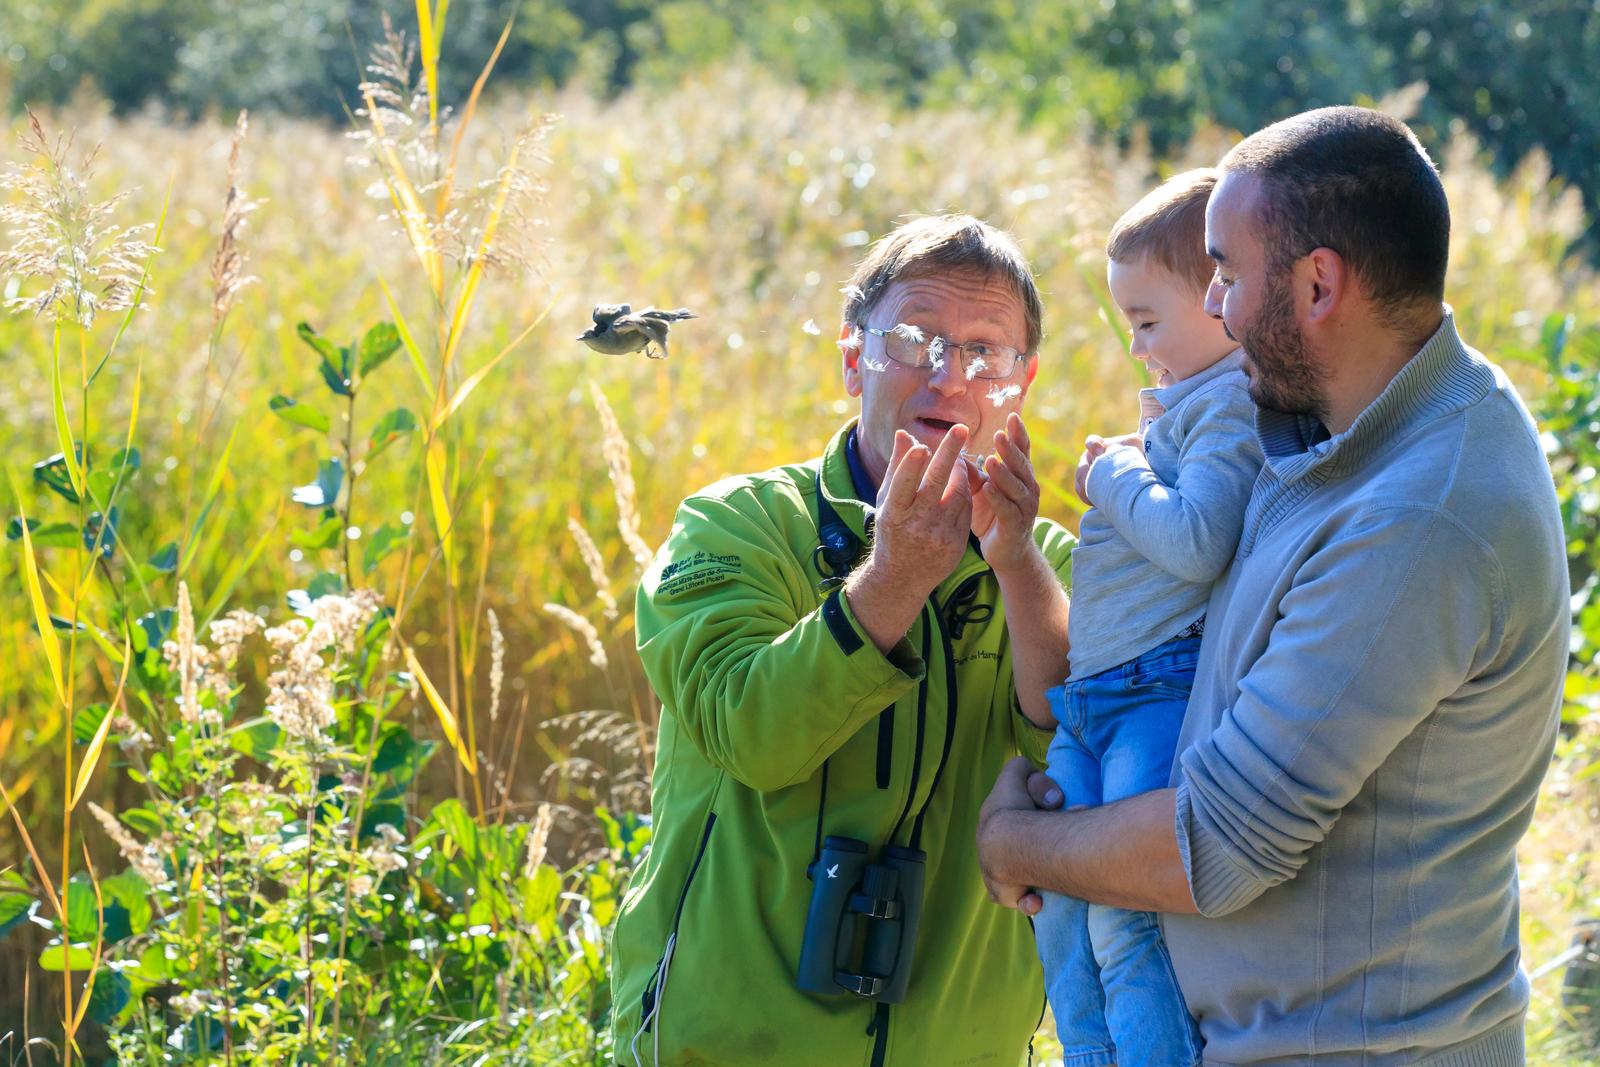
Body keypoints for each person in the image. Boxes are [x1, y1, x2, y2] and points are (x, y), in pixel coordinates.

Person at [976, 106, 1569, 1065]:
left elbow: (1214, 845)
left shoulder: (1417, 518)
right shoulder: (1352, 421)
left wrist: (1016, 842)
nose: (1214, 305)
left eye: (1227, 272)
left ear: (1318, 284)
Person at [610, 214, 1075, 1066]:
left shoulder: (1048, 570)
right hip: (732, 1045)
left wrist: (1013, 566)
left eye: (985, 352)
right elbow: (752, 734)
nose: (950, 376)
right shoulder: (735, 525)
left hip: (962, 1046)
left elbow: (1087, 774)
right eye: (915, 339)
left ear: (1023, 380)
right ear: (854, 357)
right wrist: (893, 579)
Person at [1035, 168, 1260, 1067]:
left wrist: (1112, 475)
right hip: (1094, 701)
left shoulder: (1230, 406)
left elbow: (1199, 539)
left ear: (1219, 301)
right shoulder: (1188, 407)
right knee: (1058, 899)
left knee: (1124, 915)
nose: (1135, 348)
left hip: (1154, 690)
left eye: (1146, 322)